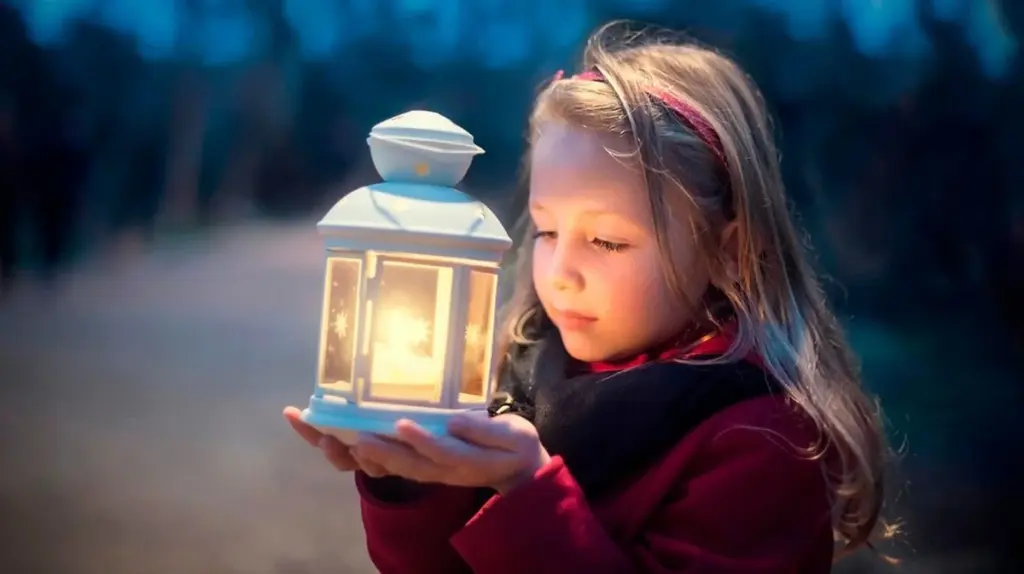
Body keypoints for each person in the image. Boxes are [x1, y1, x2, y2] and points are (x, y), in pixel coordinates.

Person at [284, 22, 895, 574]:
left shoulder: (760, 437)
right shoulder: (521, 373)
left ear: (726, 249)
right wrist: (406, 482)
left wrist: (528, 489)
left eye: (605, 240)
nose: (561, 272)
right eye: (547, 231)